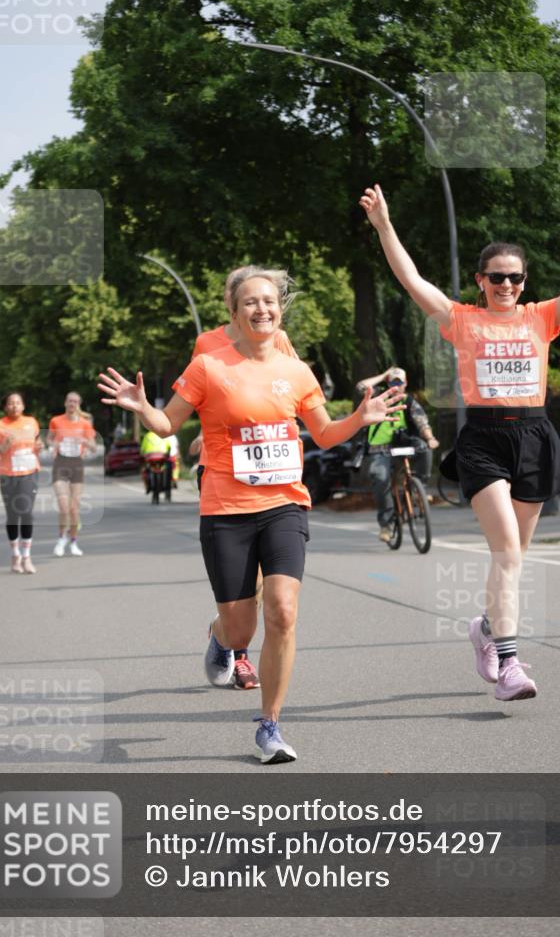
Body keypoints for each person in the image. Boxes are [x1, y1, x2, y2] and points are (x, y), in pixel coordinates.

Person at [98, 266, 401, 763]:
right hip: (225, 507)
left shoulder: (296, 371)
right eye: (250, 303)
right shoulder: (209, 365)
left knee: (282, 610)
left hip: (284, 503)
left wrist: (358, 419)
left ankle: (270, 725)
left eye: (269, 301)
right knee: (241, 630)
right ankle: (220, 639)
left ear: (279, 308)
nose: (262, 309)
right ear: (234, 314)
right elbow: (168, 423)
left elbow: (323, 434)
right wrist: (142, 408)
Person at [360, 180, 560, 702]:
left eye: (515, 278)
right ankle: (509, 665)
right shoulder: (462, 319)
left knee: (514, 557)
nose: (506, 285)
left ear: (524, 282)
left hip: (534, 435)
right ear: (481, 280)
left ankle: (484, 627)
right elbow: (412, 280)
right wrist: (384, 225)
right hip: (483, 439)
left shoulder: (542, 317)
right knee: (506, 553)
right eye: (497, 277)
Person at [191, 266, 299, 691]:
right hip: (222, 472)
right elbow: (201, 398)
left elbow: (285, 392)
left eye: (261, 296)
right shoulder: (207, 345)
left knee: (264, 581)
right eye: (239, 294)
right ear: (232, 304)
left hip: (273, 477)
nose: (253, 304)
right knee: (242, 584)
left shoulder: (278, 340)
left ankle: (234, 644)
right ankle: (235, 649)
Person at [356, 366, 439, 541]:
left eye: (399, 382)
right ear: (388, 383)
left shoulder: (408, 401)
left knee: (424, 448)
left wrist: (430, 438)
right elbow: (361, 387)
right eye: (392, 382)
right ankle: (386, 525)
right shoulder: (378, 398)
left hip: (404, 444)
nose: (396, 386)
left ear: (405, 383)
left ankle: (419, 490)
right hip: (381, 449)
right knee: (380, 478)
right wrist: (383, 375)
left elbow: (422, 421)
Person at [0, 392, 42, 574]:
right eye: (10, 403)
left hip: (29, 473)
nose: (14, 406)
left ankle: (27, 556)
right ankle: (15, 554)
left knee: (26, 514)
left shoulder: (31, 422)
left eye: (18, 403)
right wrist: (5, 446)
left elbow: (37, 443)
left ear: (23, 406)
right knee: (12, 516)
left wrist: (39, 447)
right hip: (8, 475)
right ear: (5, 407)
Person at [48, 393, 96, 557]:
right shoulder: (56, 421)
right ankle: (62, 539)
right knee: (63, 506)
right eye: (69, 401)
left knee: (74, 509)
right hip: (60, 463)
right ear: (65, 403)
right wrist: (53, 444)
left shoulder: (85, 424)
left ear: (79, 404)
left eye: (75, 401)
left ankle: (73, 541)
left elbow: (94, 447)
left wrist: (85, 442)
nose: (72, 404)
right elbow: (49, 439)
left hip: (77, 464)